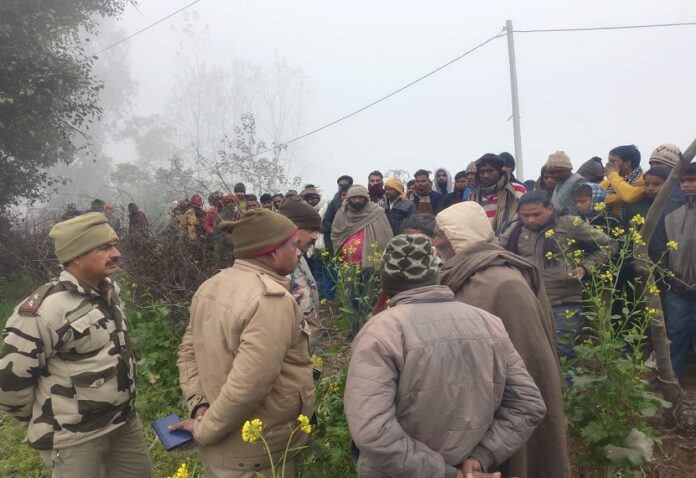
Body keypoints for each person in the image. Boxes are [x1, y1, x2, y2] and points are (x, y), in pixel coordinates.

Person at [344, 234, 546, 478]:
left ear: (385, 283)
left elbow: (373, 431)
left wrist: (445, 474)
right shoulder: (489, 324)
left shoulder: (380, 332)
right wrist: (481, 458)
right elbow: (528, 404)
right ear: (435, 274)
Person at [0, 213, 151, 477]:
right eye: (104, 247)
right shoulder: (46, 310)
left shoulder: (108, 291)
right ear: (77, 255)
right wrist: (35, 417)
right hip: (75, 438)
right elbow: (11, 381)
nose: (116, 253)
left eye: (114, 246)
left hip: (123, 422)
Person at [173, 208, 315, 477]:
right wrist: (205, 429)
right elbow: (249, 385)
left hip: (224, 448)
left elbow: (188, 352)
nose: (300, 251)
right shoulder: (269, 300)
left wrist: (199, 405)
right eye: (294, 245)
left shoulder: (212, 285)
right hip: (258, 456)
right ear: (273, 251)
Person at [434, 202, 570, 478]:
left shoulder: (505, 284)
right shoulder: (461, 275)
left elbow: (531, 361)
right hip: (471, 401)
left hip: (507, 402)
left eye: (440, 234)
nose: (434, 241)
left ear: (459, 235)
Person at [500, 192, 617, 359]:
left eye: (536, 214)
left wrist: (585, 267)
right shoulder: (514, 230)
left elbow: (609, 244)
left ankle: (567, 385)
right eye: (525, 215)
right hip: (528, 299)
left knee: (563, 351)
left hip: (564, 299)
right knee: (533, 352)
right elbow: (498, 252)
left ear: (550, 209)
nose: (531, 220)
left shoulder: (569, 224)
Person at [649, 162, 696, 378]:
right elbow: (658, 248)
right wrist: (669, 276)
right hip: (676, 287)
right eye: (683, 181)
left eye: (692, 180)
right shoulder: (667, 210)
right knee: (675, 335)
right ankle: (671, 382)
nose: (687, 185)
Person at [278, 196, 323, 344]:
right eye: (311, 230)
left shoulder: (299, 255)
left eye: (317, 230)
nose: (316, 236)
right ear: (292, 229)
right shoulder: (278, 265)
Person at [469, 153, 525, 235]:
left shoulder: (517, 190)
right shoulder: (473, 196)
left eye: (490, 171)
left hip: (510, 241)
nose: (485, 175)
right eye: (482, 171)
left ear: (500, 171)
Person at [599, 144, 644, 221]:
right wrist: (619, 197)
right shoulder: (607, 183)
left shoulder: (644, 180)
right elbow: (595, 201)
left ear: (627, 164)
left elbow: (629, 196)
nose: (607, 164)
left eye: (613, 161)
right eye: (609, 160)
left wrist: (613, 175)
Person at [321, 175, 354, 254]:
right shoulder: (334, 202)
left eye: (345, 185)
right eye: (340, 185)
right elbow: (326, 220)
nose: (342, 187)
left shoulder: (357, 202)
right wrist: (337, 229)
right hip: (337, 238)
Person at [546, 151, 585, 215]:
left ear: (568, 169)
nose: (555, 175)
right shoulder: (559, 184)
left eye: (559, 171)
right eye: (552, 172)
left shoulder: (578, 182)